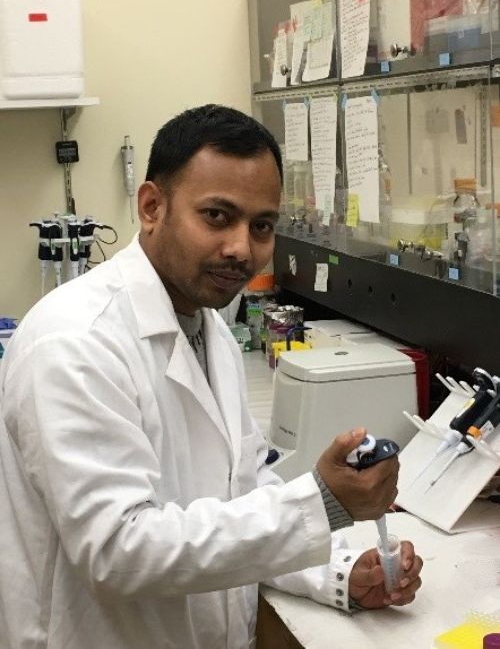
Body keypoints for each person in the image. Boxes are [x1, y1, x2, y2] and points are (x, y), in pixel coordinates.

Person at [0, 105, 422, 649]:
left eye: (262, 226)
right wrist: (322, 503)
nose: (242, 248)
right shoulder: (75, 341)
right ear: (152, 206)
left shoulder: (208, 328)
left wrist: (339, 574)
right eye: (217, 217)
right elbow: (118, 551)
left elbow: (240, 493)